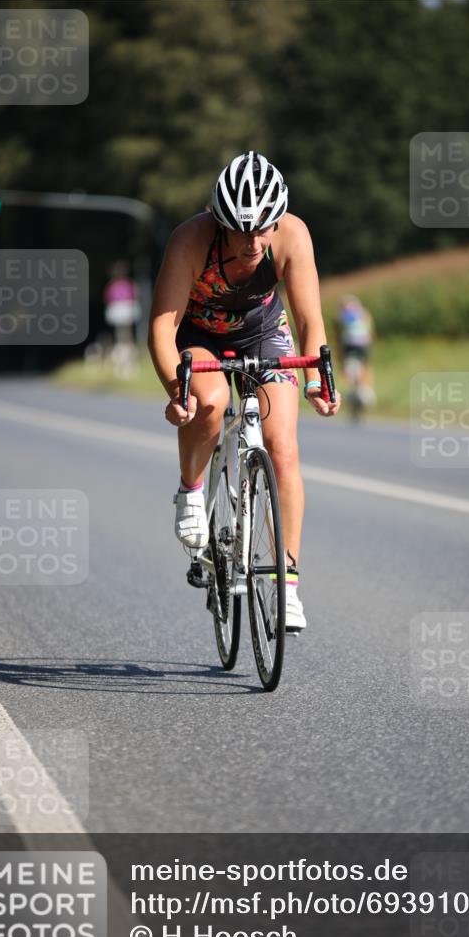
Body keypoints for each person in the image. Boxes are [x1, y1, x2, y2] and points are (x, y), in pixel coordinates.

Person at [148, 151, 340, 632]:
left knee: (283, 449)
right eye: (240, 230)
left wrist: (317, 378)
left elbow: (309, 318)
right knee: (210, 403)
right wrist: (178, 391)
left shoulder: (292, 235)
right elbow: (161, 329)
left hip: (263, 332)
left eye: (263, 229)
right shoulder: (190, 241)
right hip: (201, 335)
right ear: (218, 222)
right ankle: (191, 492)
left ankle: (286, 585)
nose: (254, 243)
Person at [335, 294, 376, 406]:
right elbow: (370, 328)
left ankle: (351, 390)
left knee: (345, 366)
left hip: (348, 344)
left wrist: (339, 350)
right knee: (365, 365)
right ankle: (366, 390)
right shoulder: (364, 313)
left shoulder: (341, 314)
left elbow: (338, 332)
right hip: (363, 343)